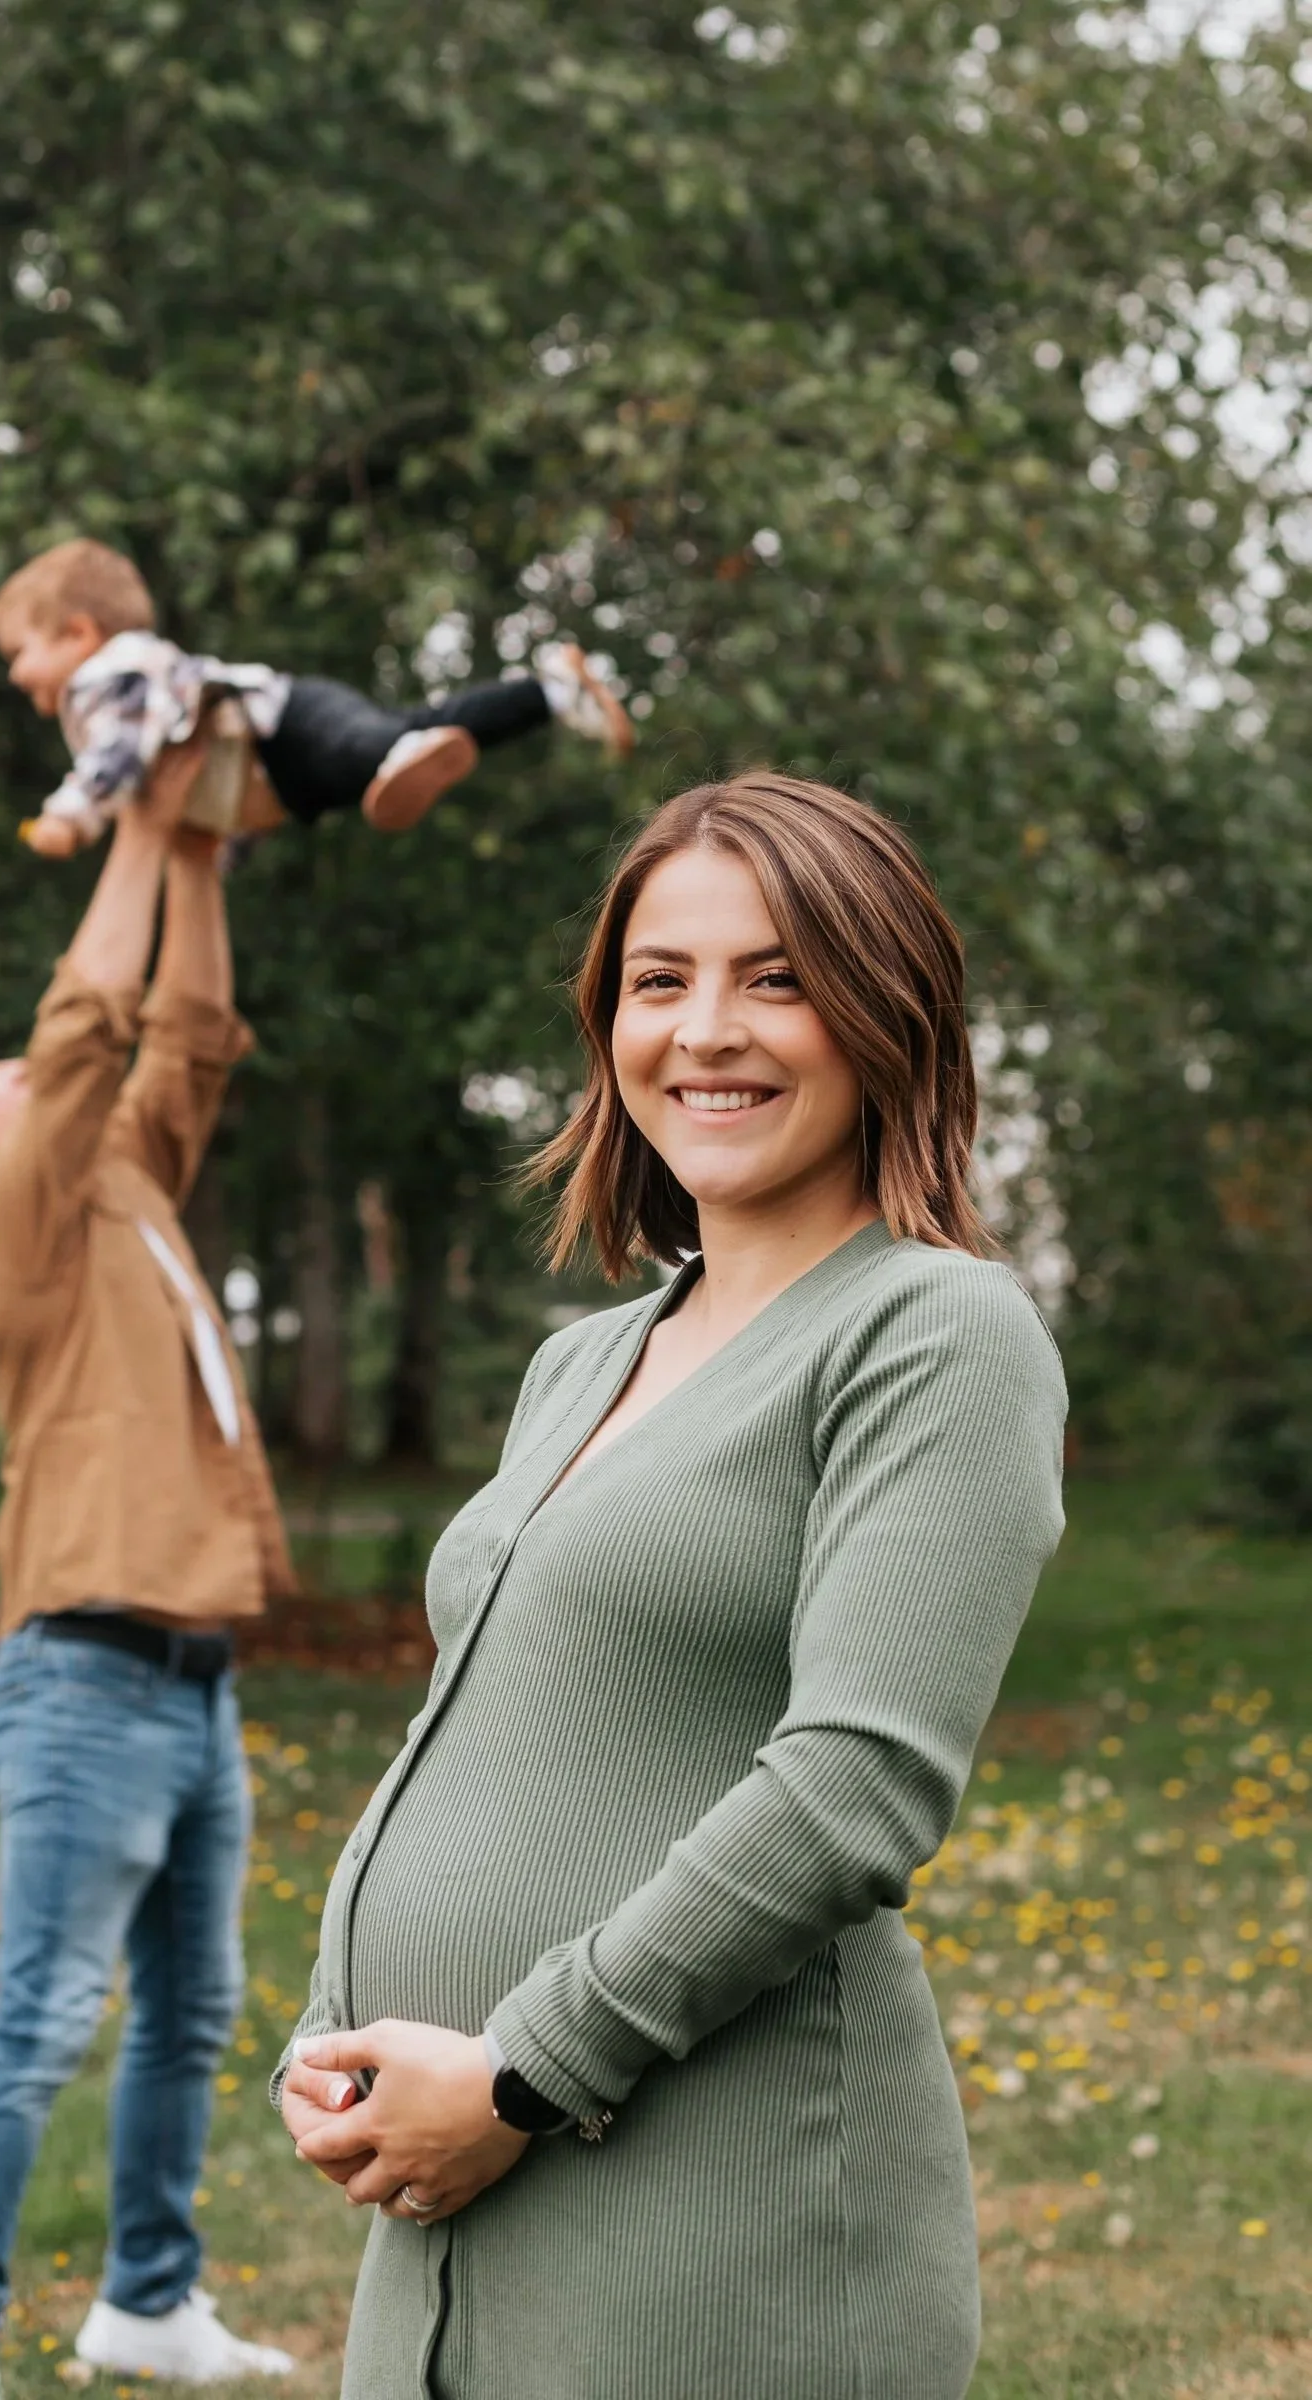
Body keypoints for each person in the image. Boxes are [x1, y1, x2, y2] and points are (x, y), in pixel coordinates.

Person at [275, 772, 1068, 2400]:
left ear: (884, 1014)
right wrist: (331, 2029)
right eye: (660, 981)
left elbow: (855, 1785)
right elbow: (471, 1719)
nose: (705, 1029)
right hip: (445, 2189)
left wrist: (513, 2074)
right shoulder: (584, 1357)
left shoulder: (931, 1335)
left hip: (721, 2208)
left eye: (774, 978)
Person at [0, 743, 298, 2399]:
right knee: (42, 2016)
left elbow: (177, 1032)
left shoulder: (113, 1181)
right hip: (80, 1674)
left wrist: (193, 841)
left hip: (192, 1675)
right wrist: (130, 816)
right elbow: (86, 1030)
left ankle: (145, 2304)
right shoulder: (7, 1227)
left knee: (188, 2019)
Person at [0, 537, 633, 855]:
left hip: (289, 724)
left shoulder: (109, 676)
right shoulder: (105, 695)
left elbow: (118, 754)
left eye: (20, 653)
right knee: (411, 730)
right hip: (282, 780)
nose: (15, 675)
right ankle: (549, 692)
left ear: (78, 634)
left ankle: (414, 748)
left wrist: (69, 816)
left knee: (375, 742)